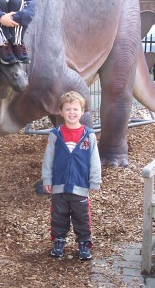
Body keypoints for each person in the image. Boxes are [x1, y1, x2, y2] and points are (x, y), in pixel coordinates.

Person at [42, 91, 101, 261]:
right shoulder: (56, 134)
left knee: (81, 217)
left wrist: (95, 181)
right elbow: (48, 159)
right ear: (61, 112)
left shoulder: (88, 135)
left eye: (76, 109)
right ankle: (58, 240)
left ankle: (84, 243)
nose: (72, 112)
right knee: (58, 215)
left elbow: (95, 160)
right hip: (59, 185)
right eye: (68, 109)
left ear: (82, 112)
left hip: (80, 185)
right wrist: (47, 179)